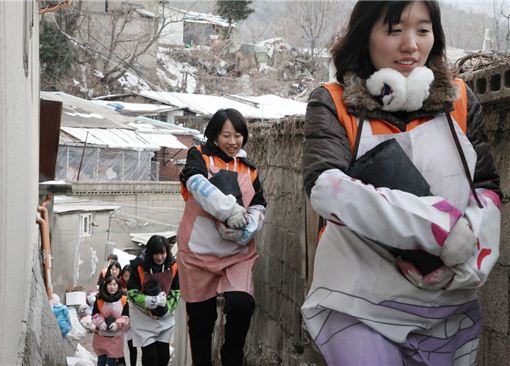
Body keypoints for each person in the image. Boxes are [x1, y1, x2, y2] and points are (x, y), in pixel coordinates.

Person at [301, 1, 502, 365]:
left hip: (448, 304)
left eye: (422, 31)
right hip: (358, 301)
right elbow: (325, 186)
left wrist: (472, 253)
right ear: (365, 36)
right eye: (394, 30)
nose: (411, 44)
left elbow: (485, 187)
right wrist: (440, 228)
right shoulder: (332, 102)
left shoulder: (458, 101)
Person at [178, 108, 267, 365]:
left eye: (238, 135)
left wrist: (250, 225)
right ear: (214, 135)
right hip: (198, 251)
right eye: (226, 135)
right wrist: (229, 211)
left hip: (237, 253)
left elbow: (260, 203)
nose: (232, 142)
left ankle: (232, 358)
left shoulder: (248, 168)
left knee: (241, 305)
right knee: (201, 321)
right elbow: (194, 181)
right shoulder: (199, 156)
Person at [127, 235, 180, 366]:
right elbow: (131, 293)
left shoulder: (173, 266)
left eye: (162, 253)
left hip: (164, 319)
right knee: (150, 358)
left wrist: (167, 307)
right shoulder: (137, 266)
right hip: (143, 318)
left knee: (163, 358)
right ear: (150, 253)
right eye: (156, 253)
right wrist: (148, 301)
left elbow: (176, 291)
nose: (159, 257)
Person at [92, 275, 130, 366]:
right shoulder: (99, 299)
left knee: (112, 361)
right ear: (105, 286)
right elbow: (94, 314)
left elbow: (126, 316)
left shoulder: (123, 300)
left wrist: (117, 323)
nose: (112, 287)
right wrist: (100, 322)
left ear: (118, 286)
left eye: (114, 284)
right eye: (109, 284)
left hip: (115, 336)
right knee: (101, 359)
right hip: (101, 335)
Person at [117, 265, 136, 366]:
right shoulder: (117, 284)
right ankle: (122, 362)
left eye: (129, 276)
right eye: (125, 276)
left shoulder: (135, 285)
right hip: (120, 316)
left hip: (132, 317)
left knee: (132, 344)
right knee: (119, 343)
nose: (127, 278)